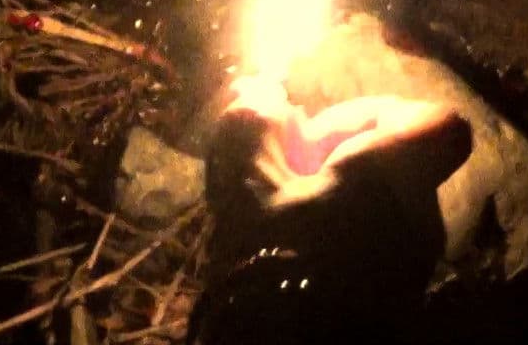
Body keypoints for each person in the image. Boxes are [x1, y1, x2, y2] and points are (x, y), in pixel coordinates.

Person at [187, 77, 472, 345]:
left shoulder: (230, 245)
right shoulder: (346, 181)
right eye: (289, 105)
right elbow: (451, 128)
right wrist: (323, 136)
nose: (243, 83)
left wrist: (309, 142)